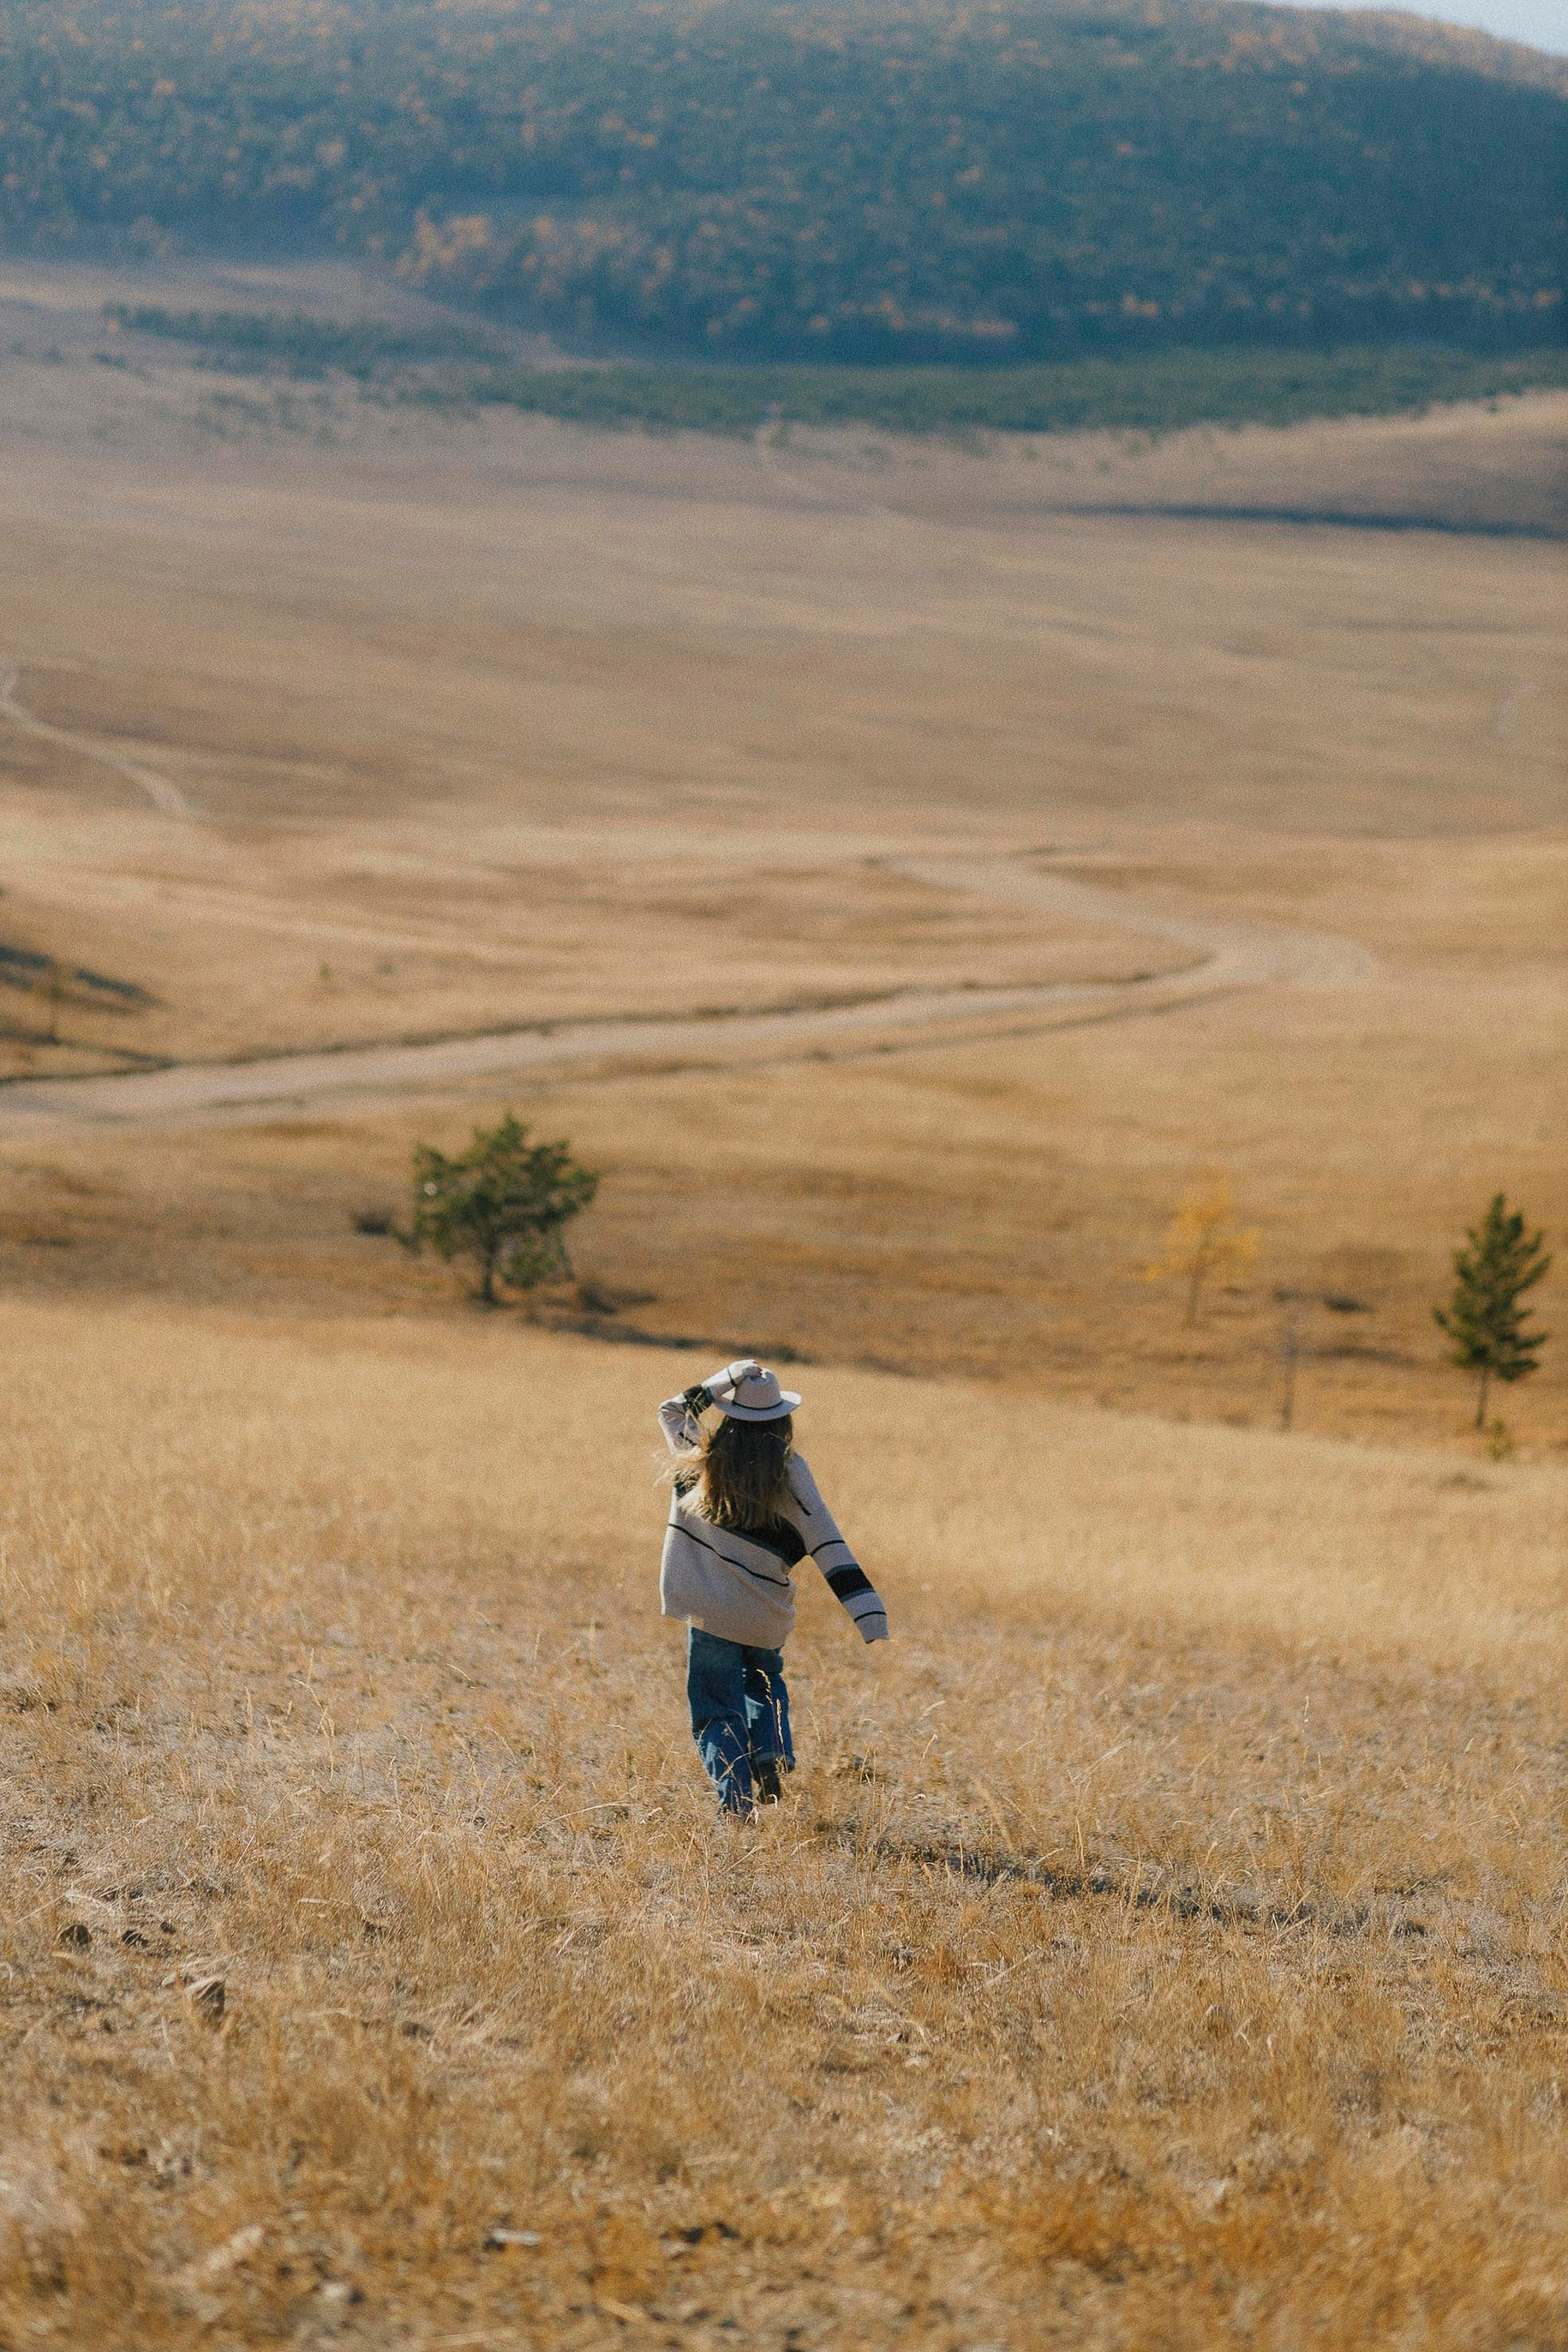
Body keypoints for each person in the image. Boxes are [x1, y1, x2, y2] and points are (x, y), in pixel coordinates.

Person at [658, 1359, 889, 1818]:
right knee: (763, 1682)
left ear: (730, 1416)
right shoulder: (792, 1474)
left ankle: (737, 1802)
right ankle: (770, 1751)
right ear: (784, 1421)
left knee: (715, 1708)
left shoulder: (700, 1460)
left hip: (709, 1612)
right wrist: (868, 1612)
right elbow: (828, 1541)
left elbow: (672, 1411)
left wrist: (728, 1377)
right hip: (764, 1613)